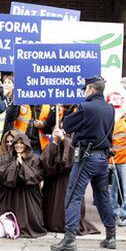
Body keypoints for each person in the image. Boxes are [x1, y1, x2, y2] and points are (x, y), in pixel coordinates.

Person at [51, 76, 116, 251]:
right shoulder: (110, 109)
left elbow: (68, 124)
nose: (84, 92)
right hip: (103, 158)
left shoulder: (85, 107)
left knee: (73, 196)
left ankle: (69, 240)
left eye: (85, 89)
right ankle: (111, 237)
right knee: (102, 198)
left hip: (86, 158)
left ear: (92, 89)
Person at [41, 127, 99, 235]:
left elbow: (71, 158)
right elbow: (46, 162)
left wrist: (63, 140)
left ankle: (69, 224)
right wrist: (54, 143)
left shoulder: (73, 143)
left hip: (68, 180)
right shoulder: (50, 145)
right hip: (53, 182)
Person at [0, 133, 47, 238]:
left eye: (21, 143)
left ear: (26, 144)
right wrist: (15, 165)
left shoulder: (35, 158)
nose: (18, 145)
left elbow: (38, 175)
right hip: (10, 195)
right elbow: (0, 173)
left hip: (28, 195)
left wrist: (22, 165)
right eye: (16, 143)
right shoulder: (6, 157)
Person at [110, 112, 126, 226]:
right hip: (116, 161)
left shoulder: (117, 123)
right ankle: (117, 214)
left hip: (118, 161)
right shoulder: (117, 123)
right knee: (116, 190)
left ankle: (118, 214)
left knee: (116, 190)